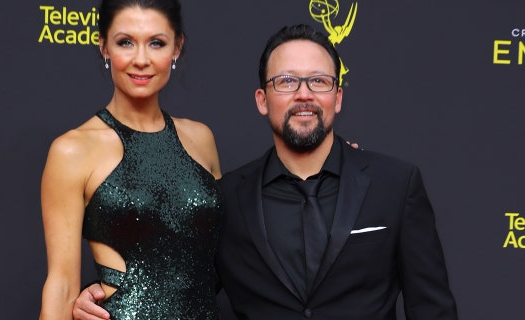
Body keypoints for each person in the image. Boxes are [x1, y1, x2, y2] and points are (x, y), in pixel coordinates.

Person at [74, 24, 458, 319]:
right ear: (263, 99)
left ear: (337, 97)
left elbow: (433, 310)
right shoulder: (226, 199)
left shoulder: (395, 183)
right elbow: (177, 291)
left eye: (319, 81)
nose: (303, 94)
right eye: (287, 81)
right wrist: (106, 297)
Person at [38, 0, 223, 319]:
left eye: (156, 43)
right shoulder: (72, 151)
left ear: (176, 48)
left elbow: (228, 257)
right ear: (104, 47)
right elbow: (62, 285)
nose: (141, 59)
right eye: (125, 42)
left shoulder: (201, 139)